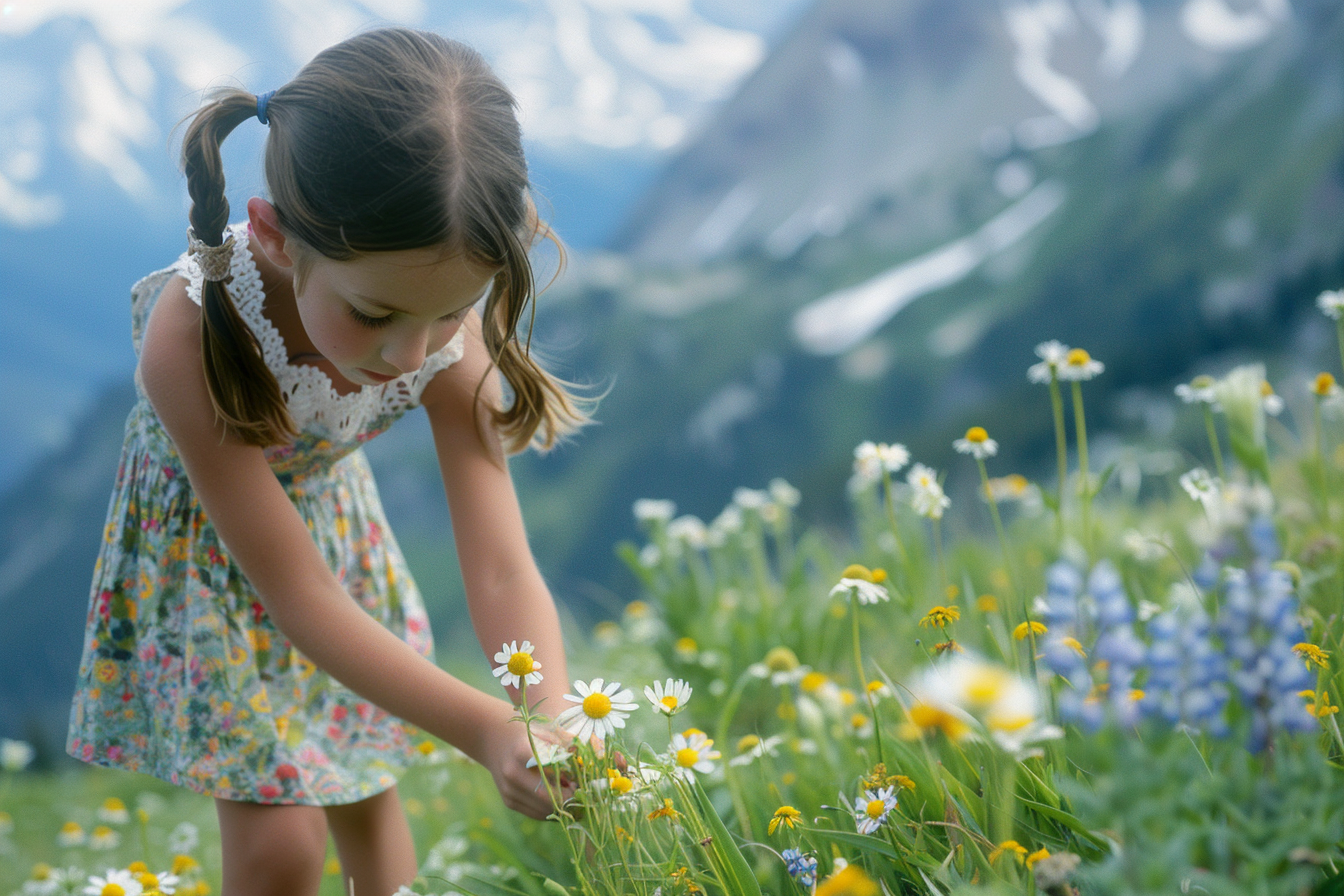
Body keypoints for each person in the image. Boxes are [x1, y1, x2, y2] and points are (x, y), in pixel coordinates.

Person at [66, 27, 587, 896]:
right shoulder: (189, 337)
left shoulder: (443, 330)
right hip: (211, 568)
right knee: (283, 848)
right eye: (373, 314)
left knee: (369, 804)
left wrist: (547, 719)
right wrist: (483, 728)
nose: (412, 352)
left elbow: (500, 563)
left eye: (450, 312)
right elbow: (300, 596)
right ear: (276, 237)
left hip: (339, 541)